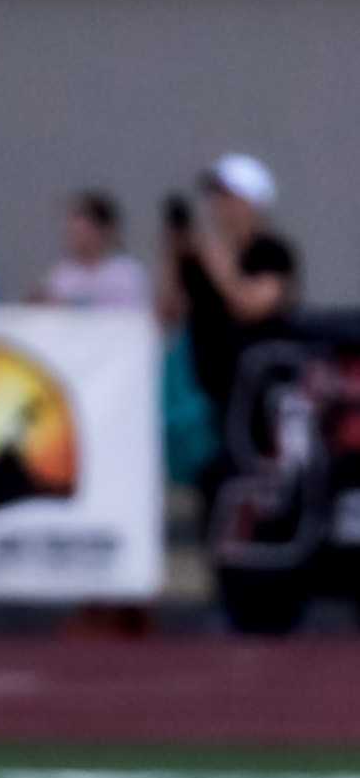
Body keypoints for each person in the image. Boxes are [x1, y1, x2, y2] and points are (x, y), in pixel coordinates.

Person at [160, 153, 298, 522]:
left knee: (253, 476)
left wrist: (219, 264)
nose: (219, 208)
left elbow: (251, 304)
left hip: (256, 392)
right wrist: (174, 255)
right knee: (211, 477)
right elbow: (168, 312)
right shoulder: (204, 257)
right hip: (209, 391)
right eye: (216, 199)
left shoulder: (271, 253)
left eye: (229, 198)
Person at [39, 191, 148, 307]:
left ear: (102, 231)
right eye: (71, 233)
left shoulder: (127, 274)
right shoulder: (61, 275)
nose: (74, 238)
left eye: (81, 232)